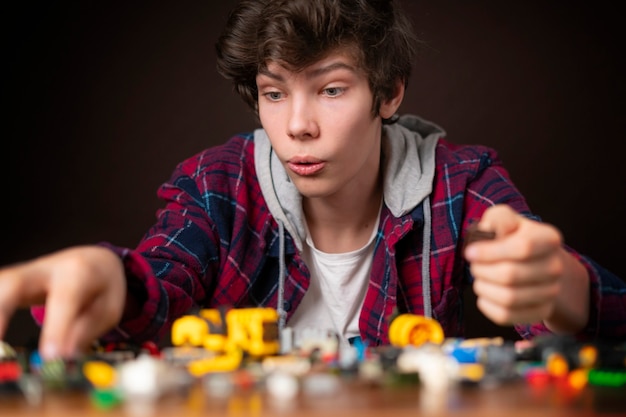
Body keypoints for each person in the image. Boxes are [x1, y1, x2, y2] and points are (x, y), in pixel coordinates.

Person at [0, 0, 624, 360]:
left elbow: (581, 304)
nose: (297, 125)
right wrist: (117, 280)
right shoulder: (218, 184)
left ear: (389, 93)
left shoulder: (460, 184)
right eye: (274, 93)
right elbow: (156, 281)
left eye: (330, 89)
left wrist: (561, 288)